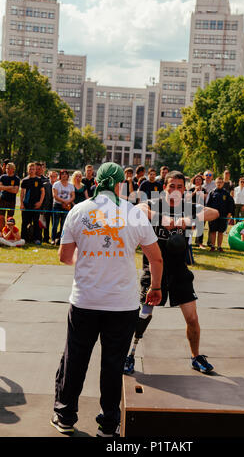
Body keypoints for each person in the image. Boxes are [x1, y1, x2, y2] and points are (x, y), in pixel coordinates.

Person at [50, 162, 163, 437]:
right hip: (121, 304)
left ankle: (65, 416)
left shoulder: (79, 210)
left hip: (86, 300)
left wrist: (87, 263)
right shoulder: (133, 213)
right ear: (119, 184)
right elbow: (155, 257)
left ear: (96, 181)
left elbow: (64, 256)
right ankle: (109, 424)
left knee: (75, 358)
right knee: (113, 364)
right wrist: (155, 287)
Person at [124, 170, 219, 376]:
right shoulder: (155, 204)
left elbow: (214, 213)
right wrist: (163, 218)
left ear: (184, 189)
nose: (175, 190)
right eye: (171, 186)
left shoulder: (188, 208)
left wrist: (189, 220)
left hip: (179, 271)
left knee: (192, 318)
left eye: (179, 187)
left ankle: (196, 357)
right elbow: (137, 209)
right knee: (142, 317)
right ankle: (129, 354)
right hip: (154, 271)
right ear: (164, 188)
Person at [205, 176, 235, 252]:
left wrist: (229, 213)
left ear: (223, 183)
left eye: (220, 182)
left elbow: (231, 204)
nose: (219, 184)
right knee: (213, 231)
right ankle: (212, 246)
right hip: (213, 216)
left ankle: (219, 246)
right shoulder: (212, 193)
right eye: (218, 182)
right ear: (215, 183)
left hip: (222, 216)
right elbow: (207, 204)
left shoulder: (226, 193)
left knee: (221, 232)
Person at [20, 162, 45, 245]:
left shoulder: (39, 180)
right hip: (26, 205)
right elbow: (22, 193)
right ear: (28, 170)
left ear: (35, 170)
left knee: (36, 223)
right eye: (30, 169)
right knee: (25, 223)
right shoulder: (24, 180)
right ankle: (24, 239)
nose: (31, 170)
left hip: (36, 206)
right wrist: (21, 204)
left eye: (33, 169)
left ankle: (37, 239)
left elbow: (43, 192)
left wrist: (40, 202)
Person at [51, 170, 75, 245]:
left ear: (68, 176)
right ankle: (53, 239)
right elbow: (55, 195)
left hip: (67, 206)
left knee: (63, 224)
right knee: (55, 223)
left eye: (66, 174)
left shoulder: (71, 185)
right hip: (57, 205)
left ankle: (61, 239)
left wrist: (68, 202)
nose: (64, 175)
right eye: (62, 174)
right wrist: (64, 201)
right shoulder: (56, 184)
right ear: (60, 176)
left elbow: (73, 196)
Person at [0, 162, 20, 233]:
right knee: (1, 218)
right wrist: (11, 187)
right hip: (2, 200)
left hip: (11, 201)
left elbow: (15, 191)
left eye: (9, 168)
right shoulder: (2, 177)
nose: (7, 170)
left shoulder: (16, 179)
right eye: (6, 168)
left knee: (9, 218)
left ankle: (8, 233)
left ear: (13, 169)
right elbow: (0, 188)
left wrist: (4, 187)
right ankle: (2, 233)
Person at [189, 173, 206, 249]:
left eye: (199, 180)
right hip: (191, 209)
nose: (198, 181)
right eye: (197, 179)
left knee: (200, 226)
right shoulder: (191, 189)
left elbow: (206, 198)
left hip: (201, 209)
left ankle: (199, 243)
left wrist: (201, 192)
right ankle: (189, 241)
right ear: (194, 181)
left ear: (202, 181)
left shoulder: (204, 190)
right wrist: (195, 191)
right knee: (190, 225)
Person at [42, 170, 58, 244]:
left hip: (56, 207)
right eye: (51, 176)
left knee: (54, 223)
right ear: (48, 176)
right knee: (46, 223)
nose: (52, 178)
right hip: (47, 206)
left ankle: (54, 238)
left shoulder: (58, 185)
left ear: (57, 177)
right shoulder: (45, 184)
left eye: (54, 176)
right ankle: (45, 238)